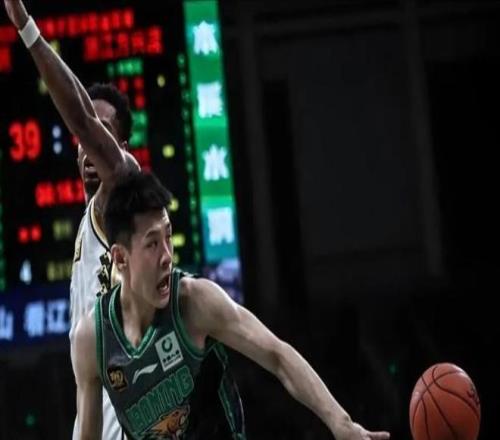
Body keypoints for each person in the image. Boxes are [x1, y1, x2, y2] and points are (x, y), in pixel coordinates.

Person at [72, 171, 390, 440]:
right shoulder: (93, 340)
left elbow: (277, 356)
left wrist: (340, 423)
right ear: (120, 258)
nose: (167, 256)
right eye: (152, 244)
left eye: (168, 237)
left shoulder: (195, 303)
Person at [3, 1, 137, 439]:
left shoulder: (125, 185)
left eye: (100, 133)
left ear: (119, 146)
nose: (87, 144)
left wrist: (27, 28)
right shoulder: (88, 223)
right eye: (83, 138)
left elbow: (80, 116)